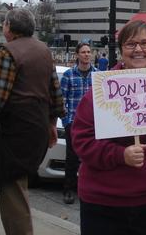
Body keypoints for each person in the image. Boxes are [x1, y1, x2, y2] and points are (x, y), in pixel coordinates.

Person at [71, 20, 146, 235]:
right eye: (131, 44)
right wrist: (120, 155)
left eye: (145, 43)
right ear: (121, 51)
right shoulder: (100, 91)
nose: (138, 49)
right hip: (102, 204)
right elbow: (82, 141)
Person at [0, 9, 66, 234]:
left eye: (4, 24)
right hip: (37, 129)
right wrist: (51, 123)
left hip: (17, 131)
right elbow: (55, 94)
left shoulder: (7, 52)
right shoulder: (44, 50)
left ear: (9, 27)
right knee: (15, 183)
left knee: (11, 186)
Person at [60, 42, 97, 204]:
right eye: (83, 52)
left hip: (93, 125)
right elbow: (62, 100)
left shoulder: (98, 74)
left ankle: (90, 190)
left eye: (89, 52)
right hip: (73, 123)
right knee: (72, 158)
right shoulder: (69, 75)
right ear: (77, 55)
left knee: (92, 158)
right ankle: (68, 190)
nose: (86, 54)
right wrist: (66, 121)